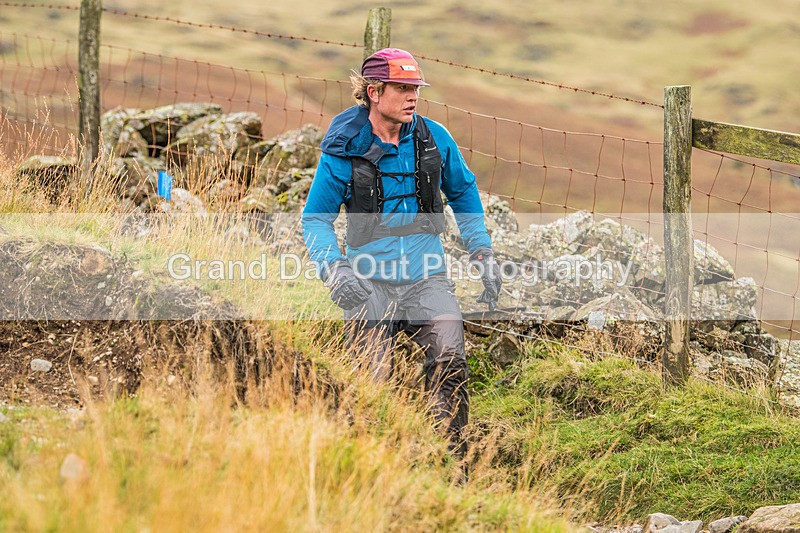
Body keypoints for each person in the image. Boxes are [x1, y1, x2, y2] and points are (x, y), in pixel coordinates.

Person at [301, 48, 501, 460]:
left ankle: (450, 462)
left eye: (416, 88)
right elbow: (315, 219)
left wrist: (481, 249)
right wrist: (334, 269)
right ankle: (369, 464)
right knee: (369, 380)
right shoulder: (344, 149)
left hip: (427, 277)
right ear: (374, 91)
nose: (413, 96)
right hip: (366, 281)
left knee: (450, 361)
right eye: (403, 88)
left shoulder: (433, 139)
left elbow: (463, 191)